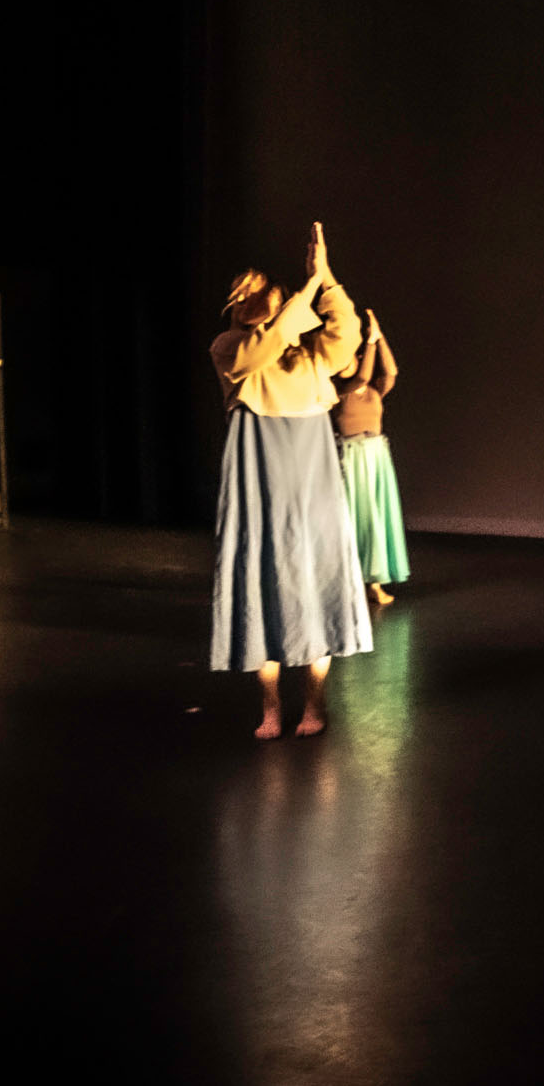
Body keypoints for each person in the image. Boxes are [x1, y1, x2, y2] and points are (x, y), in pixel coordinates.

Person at [208, 221, 374, 738]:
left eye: (260, 297)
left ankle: (315, 706)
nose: (249, 304)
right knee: (262, 590)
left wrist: (325, 281)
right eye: (245, 299)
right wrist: (301, 295)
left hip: (310, 482)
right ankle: (271, 708)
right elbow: (262, 346)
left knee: (314, 587)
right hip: (260, 481)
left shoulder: (311, 358)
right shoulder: (232, 350)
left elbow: (345, 336)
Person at [334, 306, 411, 606]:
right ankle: (352, 584)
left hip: (376, 455)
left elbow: (389, 371)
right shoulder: (340, 390)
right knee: (357, 520)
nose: (345, 365)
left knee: (377, 518)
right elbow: (363, 374)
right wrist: (369, 342)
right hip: (351, 458)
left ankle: (374, 583)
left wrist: (378, 340)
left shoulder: (375, 392)